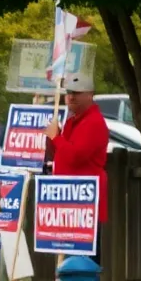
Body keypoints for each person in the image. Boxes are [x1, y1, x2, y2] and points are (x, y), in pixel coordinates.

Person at [45, 75, 110, 264]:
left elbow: (75, 157)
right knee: (71, 254)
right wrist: (52, 139)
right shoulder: (74, 121)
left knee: (85, 256)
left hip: (85, 199)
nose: (71, 97)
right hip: (71, 198)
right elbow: (60, 154)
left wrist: (57, 138)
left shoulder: (94, 122)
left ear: (90, 95)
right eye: (69, 93)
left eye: (77, 93)